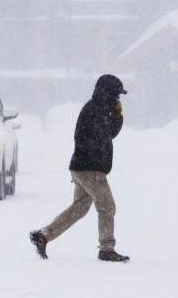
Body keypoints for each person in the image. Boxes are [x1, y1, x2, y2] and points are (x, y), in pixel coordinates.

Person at [29, 74, 130, 263]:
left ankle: (44, 235)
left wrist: (116, 116)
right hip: (90, 169)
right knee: (107, 207)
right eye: (116, 94)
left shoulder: (97, 109)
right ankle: (107, 249)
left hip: (83, 167)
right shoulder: (95, 111)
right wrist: (117, 117)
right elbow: (107, 134)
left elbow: (108, 134)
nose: (118, 98)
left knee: (80, 208)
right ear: (107, 93)